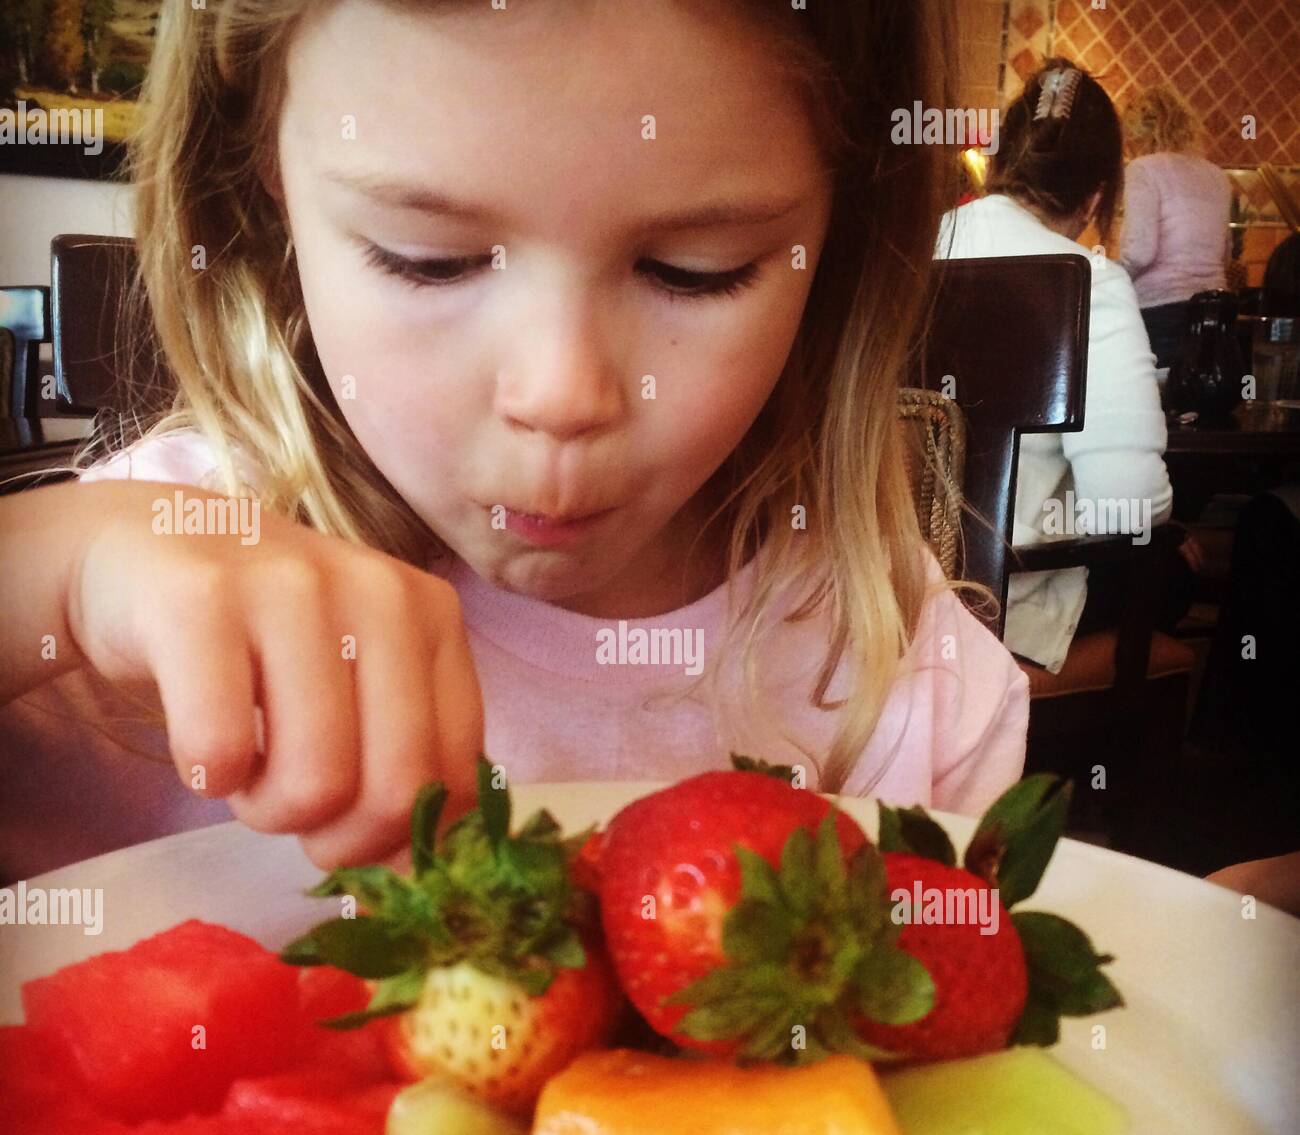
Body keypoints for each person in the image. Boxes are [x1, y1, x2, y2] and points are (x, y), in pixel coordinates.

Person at [0, 0, 1029, 882]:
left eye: (695, 269)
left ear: (839, 233)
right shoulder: (133, 610)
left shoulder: (910, 687)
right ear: (264, 171)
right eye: (429, 261)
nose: (561, 396)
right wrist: (57, 563)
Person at [936, 58, 1173, 675]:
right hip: (1006, 615)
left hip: (879, 601)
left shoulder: (907, 257)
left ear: (998, 165)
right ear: (1096, 199)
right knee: (1171, 573)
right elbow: (1125, 509)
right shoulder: (1085, 281)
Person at [1119, 85, 1232, 369]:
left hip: (1161, 314)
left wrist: (1109, 277)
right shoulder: (1217, 176)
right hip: (1217, 313)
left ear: (1135, 134)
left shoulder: (1143, 169)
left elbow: (1140, 252)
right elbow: (1226, 254)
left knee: (1161, 403)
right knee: (1201, 405)